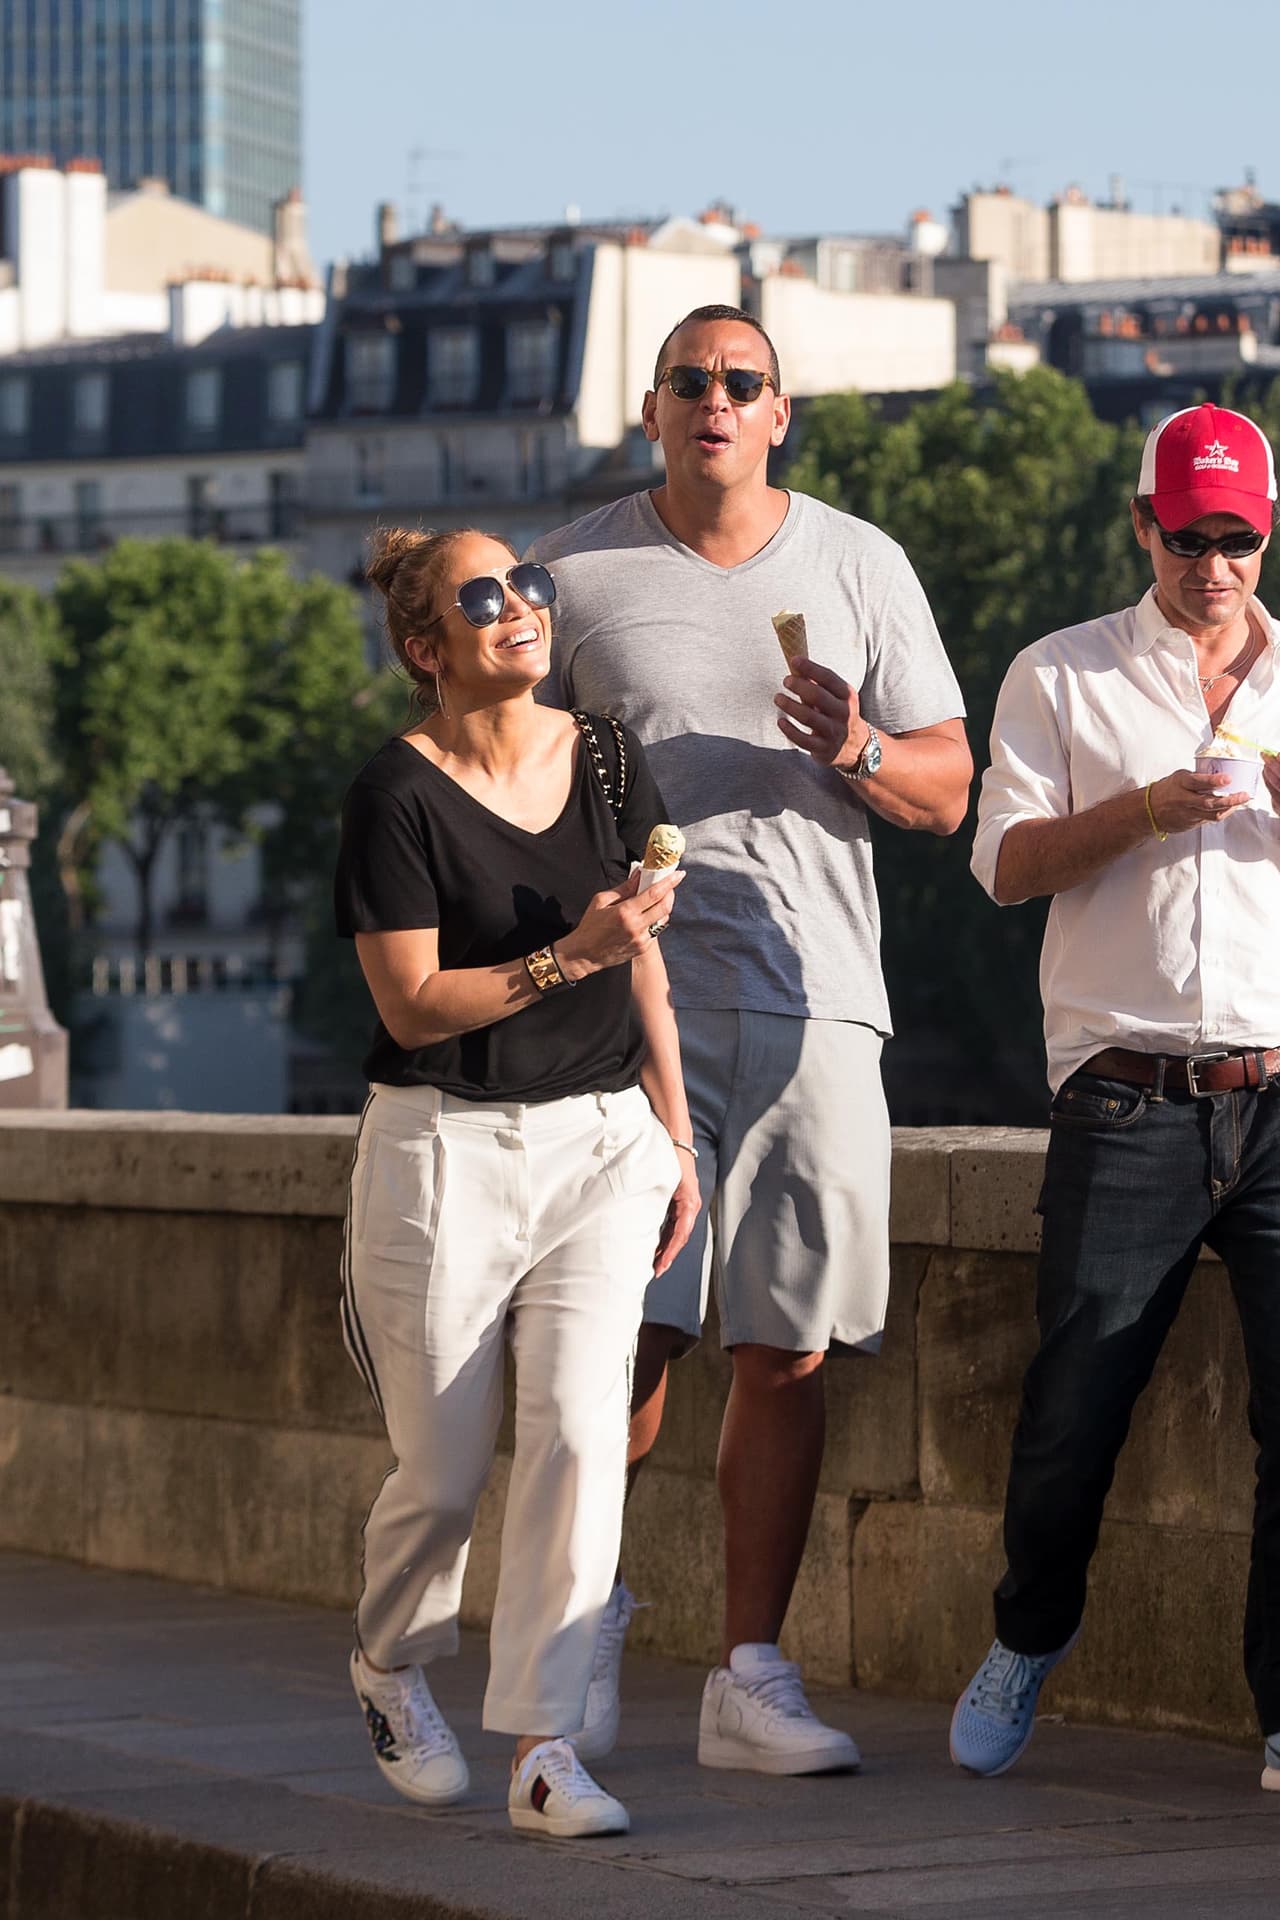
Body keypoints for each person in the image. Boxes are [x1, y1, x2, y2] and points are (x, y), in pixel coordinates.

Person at [529, 304, 970, 1773]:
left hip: (816, 997)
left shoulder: (861, 564)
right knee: (628, 1334)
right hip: (627, 1010)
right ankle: (576, 1627)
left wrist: (852, 747)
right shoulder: (576, 572)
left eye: (742, 383)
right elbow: (502, 782)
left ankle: (748, 1677)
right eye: (688, 383)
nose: (714, 401)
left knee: (787, 1345)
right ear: (651, 411)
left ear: (780, 412)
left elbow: (949, 790)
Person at [333, 526, 700, 1839]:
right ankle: (387, 1662)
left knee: (580, 1436)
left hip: (601, 1143)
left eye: (528, 584)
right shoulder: (398, 795)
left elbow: (642, 947)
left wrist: (676, 1128)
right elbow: (415, 1003)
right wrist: (569, 956)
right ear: (428, 647)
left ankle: (545, 1749)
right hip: (446, 1152)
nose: (519, 609)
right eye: (482, 598)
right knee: (438, 1479)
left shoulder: (604, 756)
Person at [955, 402, 1280, 1790]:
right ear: (1142, 526)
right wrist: (1150, 807)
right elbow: (1005, 865)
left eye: (1240, 539)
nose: (1214, 565)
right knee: (1074, 1407)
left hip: (1278, 1095)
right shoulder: (1061, 674)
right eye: (1189, 535)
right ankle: (1028, 1637)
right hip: (1126, 1097)